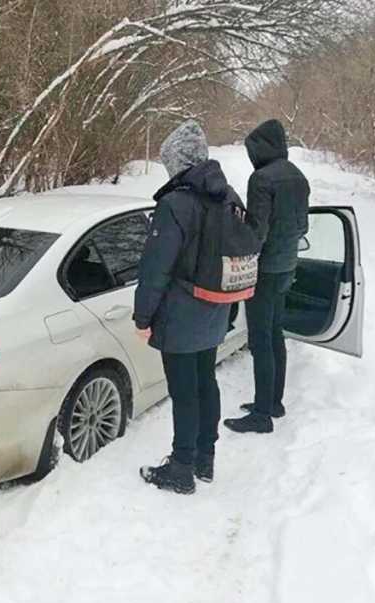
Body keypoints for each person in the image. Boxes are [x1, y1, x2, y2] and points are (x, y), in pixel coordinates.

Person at [134, 120, 247, 495]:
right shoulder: (228, 195)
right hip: (216, 307)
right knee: (205, 381)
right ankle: (205, 458)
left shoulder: (175, 203)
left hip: (180, 313)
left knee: (184, 391)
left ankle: (181, 468)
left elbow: (156, 268)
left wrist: (143, 317)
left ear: (177, 162)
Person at [224, 119, 310, 434]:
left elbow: (257, 231)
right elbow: (303, 226)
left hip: (264, 269)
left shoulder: (261, 179)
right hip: (288, 265)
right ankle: (274, 401)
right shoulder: (298, 177)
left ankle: (261, 415)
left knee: (260, 340)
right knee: (276, 333)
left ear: (261, 149)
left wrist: (236, 228)